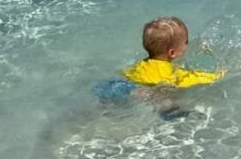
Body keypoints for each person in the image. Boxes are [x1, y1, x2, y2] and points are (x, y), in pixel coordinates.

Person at [94, 17, 224, 115]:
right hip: (149, 91)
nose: (187, 45)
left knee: (103, 107)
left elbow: (126, 73)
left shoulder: (143, 64)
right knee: (167, 103)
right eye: (186, 42)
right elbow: (196, 78)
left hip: (121, 84)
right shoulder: (173, 73)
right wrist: (221, 73)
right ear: (172, 53)